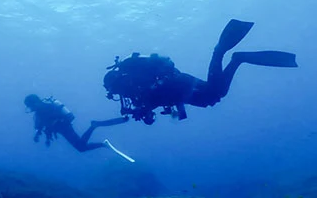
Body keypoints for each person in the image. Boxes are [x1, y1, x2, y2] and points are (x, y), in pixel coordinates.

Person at [103, 19, 297, 124]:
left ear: (116, 82)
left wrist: (145, 109)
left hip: (179, 85)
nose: (118, 94)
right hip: (180, 88)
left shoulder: (133, 83)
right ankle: (237, 59)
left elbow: (154, 94)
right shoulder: (133, 87)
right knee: (214, 96)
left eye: (114, 90)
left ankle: (220, 52)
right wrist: (145, 111)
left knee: (213, 95)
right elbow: (154, 101)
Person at [24, 94, 133, 159]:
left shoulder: (47, 108)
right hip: (62, 129)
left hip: (65, 128)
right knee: (81, 147)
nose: (31, 109)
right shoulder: (38, 113)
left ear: (34, 103)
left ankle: (95, 128)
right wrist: (37, 135)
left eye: (30, 106)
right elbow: (39, 127)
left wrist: (55, 124)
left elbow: (68, 117)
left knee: (81, 147)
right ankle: (100, 138)